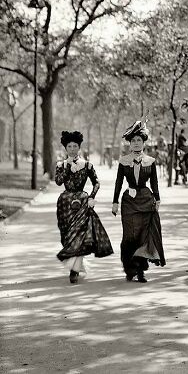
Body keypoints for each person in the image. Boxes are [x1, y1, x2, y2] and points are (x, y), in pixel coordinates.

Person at [55, 131, 113, 283]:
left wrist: (92, 196)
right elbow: (59, 182)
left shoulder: (87, 165)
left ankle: (74, 270)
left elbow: (97, 182)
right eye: (70, 146)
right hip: (64, 203)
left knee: (79, 234)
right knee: (66, 235)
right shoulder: (60, 165)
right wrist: (68, 167)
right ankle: (76, 264)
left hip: (82, 202)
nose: (73, 149)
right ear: (65, 148)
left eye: (75, 146)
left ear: (79, 147)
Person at [112, 120, 165, 283]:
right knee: (130, 235)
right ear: (130, 143)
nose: (136, 143)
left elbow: (154, 182)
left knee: (143, 236)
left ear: (143, 143)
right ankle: (129, 269)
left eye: (139, 141)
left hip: (145, 199)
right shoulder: (123, 161)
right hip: (129, 201)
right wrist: (115, 202)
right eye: (133, 141)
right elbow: (119, 182)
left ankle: (141, 270)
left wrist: (157, 198)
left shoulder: (150, 161)